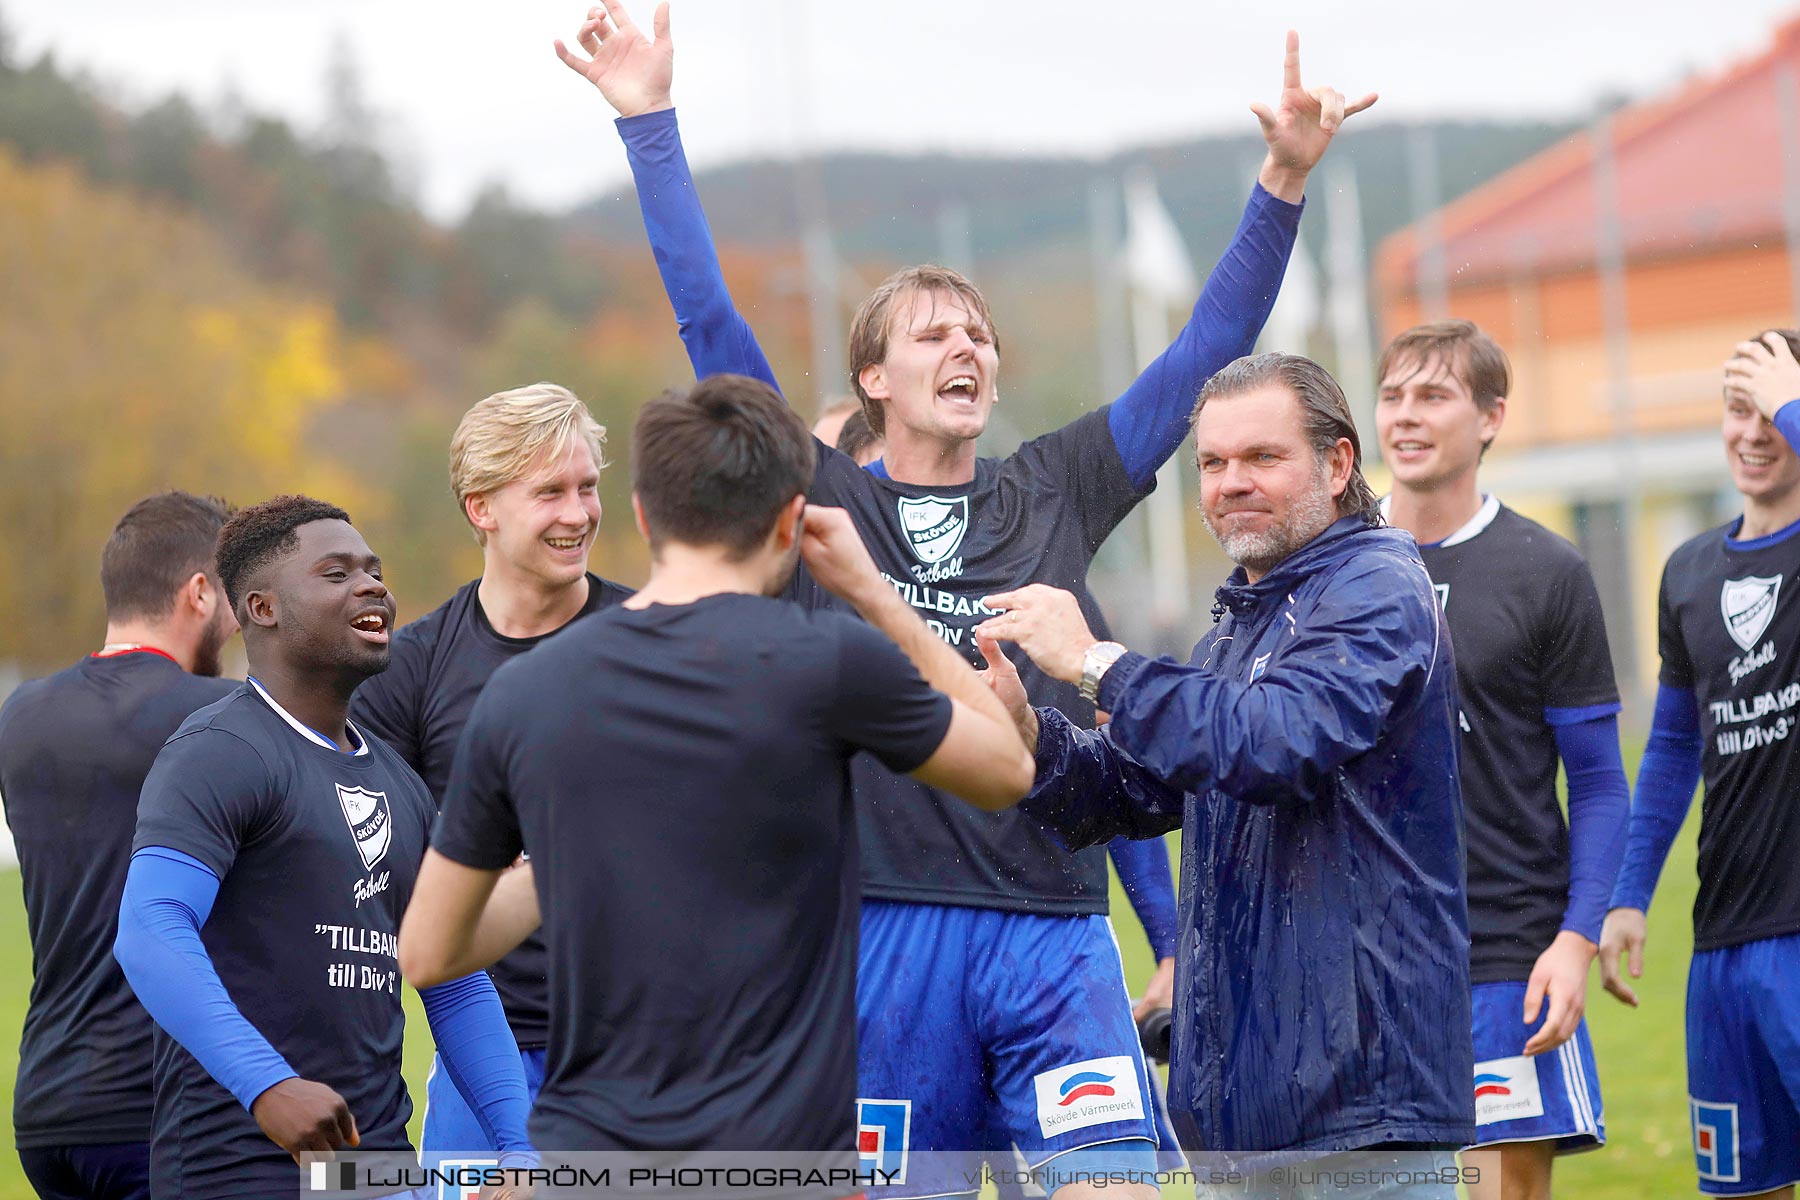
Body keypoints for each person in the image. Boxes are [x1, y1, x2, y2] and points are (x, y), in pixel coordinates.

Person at [556, 5, 1371, 1189]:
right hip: (881, 934)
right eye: (935, 331)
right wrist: (648, 123)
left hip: (1052, 930)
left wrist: (1282, 183)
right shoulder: (819, 491)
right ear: (873, 378)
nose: (970, 346)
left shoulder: (1056, 485)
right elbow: (709, 323)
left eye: (981, 334)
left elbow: (1205, 355)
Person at [398, 374, 1034, 1163]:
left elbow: (428, 952)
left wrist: (564, 861)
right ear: (790, 521)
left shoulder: (525, 691)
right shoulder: (826, 661)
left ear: (640, 512)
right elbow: (1008, 766)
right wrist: (874, 593)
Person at [976, 353, 1474, 1195]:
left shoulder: (1377, 586)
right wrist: (1028, 732)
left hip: (1361, 1120)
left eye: (1262, 458)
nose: (1231, 482)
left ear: (1339, 464)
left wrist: (1101, 662)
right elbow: (1134, 789)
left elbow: (1274, 742)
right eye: (1212, 463)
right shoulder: (1239, 625)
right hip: (1248, 1121)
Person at [113, 496, 532, 1197]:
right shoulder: (221, 750)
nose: (373, 587)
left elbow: (453, 980)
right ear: (263, 608)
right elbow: (149, 929)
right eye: (336, 573)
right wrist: (268, 1085)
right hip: (241, 1172)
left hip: (379, 1172)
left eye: (374, 570)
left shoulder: (397, 781)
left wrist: (518, 1146)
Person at [1375, 320, 1629, 1199]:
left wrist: (1575, 936)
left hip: (1504, 958)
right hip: (1359, 955)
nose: (1406, 416)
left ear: (1491, 417)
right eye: (1393, 395)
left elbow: (1598, 780)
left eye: (1433, 395)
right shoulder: (1330, 567)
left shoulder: (1545, 571)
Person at [349, 382, 632, 1165]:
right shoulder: (409, 671)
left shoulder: (657, 644)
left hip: (644, 1058)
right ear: (483, 508)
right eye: (549, 492)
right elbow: (374, 862)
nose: (578, 514)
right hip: (484, 1056)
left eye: (587, 487)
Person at [1599, 330, 1800, 1200]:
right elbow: (1676, 747)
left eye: (1773, 412)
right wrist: (1630, 895)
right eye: (1736, 410)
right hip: (1723, 941)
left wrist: (1792, 394)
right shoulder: (1687, 573)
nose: (1753, 433)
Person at [0, 492, 238, 1200]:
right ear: (198, 592)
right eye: (232, 601)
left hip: (47, 1104)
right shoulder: (217, 718)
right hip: (161, 1110)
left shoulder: (21, 716)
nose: (236, 625)